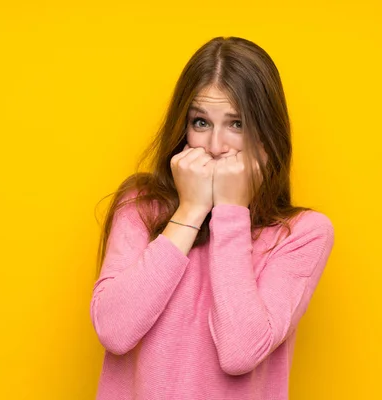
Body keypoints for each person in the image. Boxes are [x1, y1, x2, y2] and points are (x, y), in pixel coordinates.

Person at [90, 36, 335, 400]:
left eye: (237, 124)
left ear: (268, 134)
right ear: (183, 129)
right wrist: (189, 211)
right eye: (201, 122)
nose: (217, 146)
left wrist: (231, 212)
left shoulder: (300, 234)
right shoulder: (141, 206)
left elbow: (240, 353)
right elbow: (114, 331)